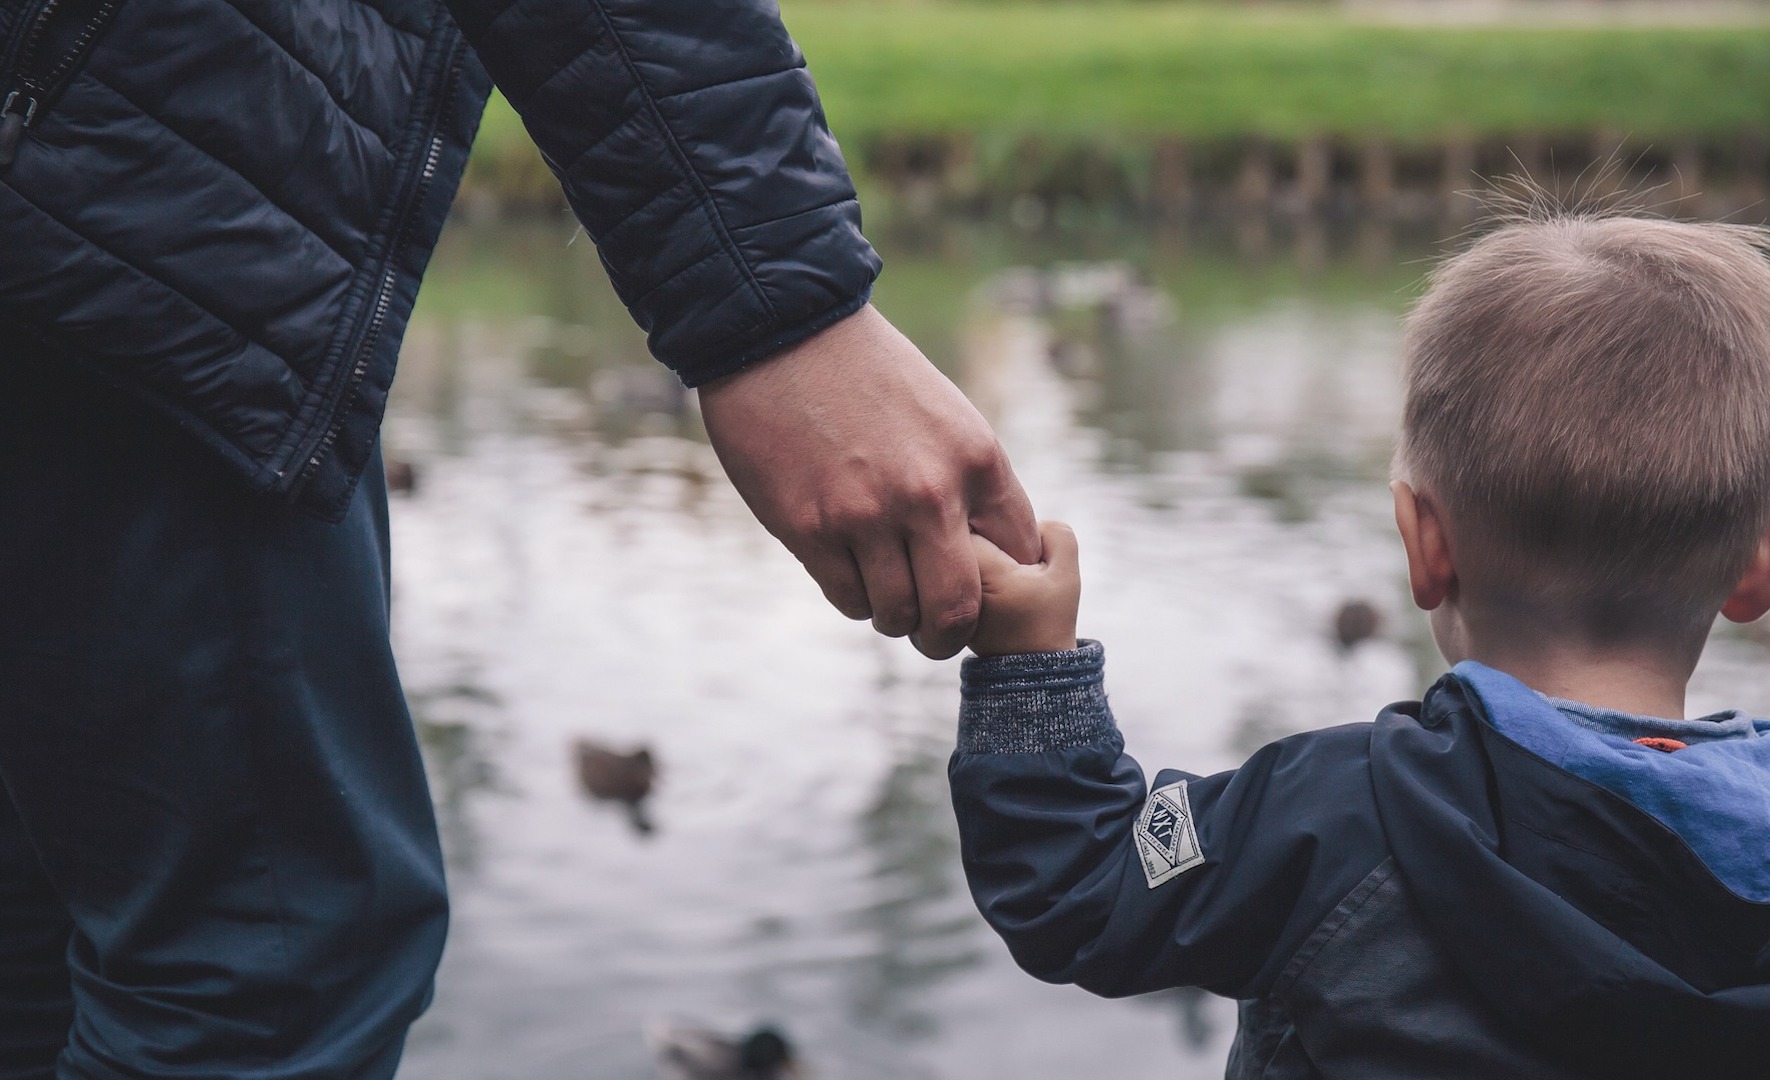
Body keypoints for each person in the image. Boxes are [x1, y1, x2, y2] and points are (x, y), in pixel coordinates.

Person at [0, 0, 1034, 1075]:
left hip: (78, 163)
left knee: (45, 913)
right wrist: (782, 306)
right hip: (131, 192)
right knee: (262, 960)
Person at [948, 212, 1770, 1079]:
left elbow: (1082, 887)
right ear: (1768, 562)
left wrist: (1031, 660)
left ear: (1425, 548)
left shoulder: (1335, 819)